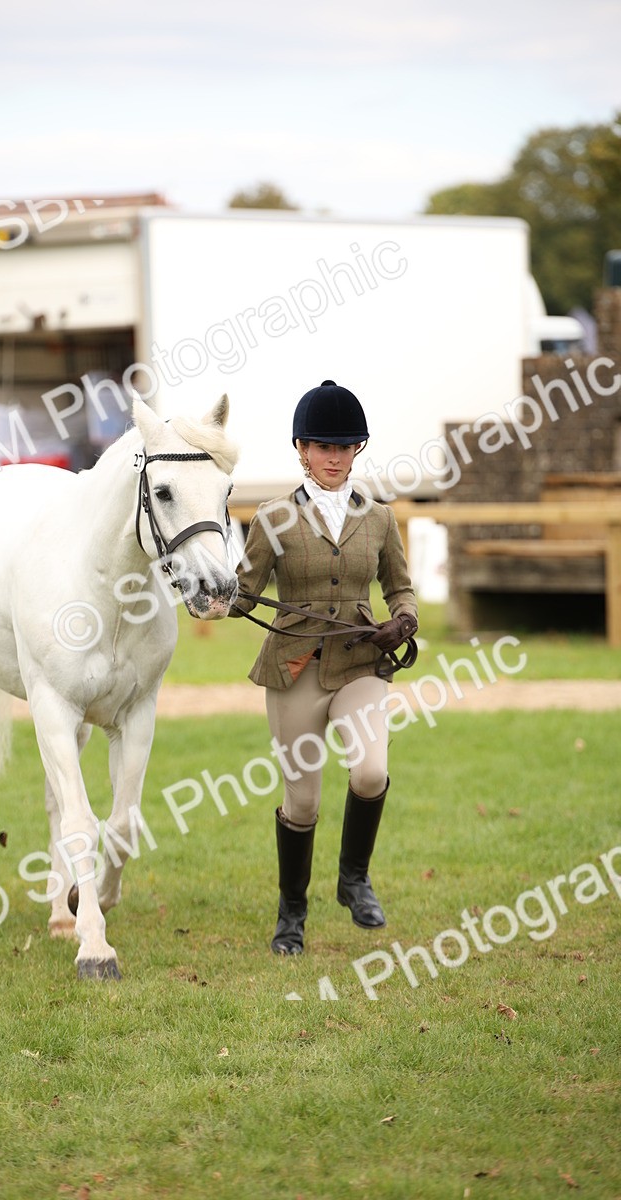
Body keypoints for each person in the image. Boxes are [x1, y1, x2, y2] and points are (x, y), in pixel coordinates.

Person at [230, 380, 418, 955]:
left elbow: (401, 589)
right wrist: (216, 592)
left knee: (368, 772)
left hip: (361, 663)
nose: (335, 458)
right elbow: (243, 590)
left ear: (356, 450)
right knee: (303, 801)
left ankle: (354, 879)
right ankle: (292, 911)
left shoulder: (380, 518)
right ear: (301, 449)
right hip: (293, 669)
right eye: (322, 447)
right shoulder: (273, 518)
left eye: (345, 447)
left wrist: (403, 621)